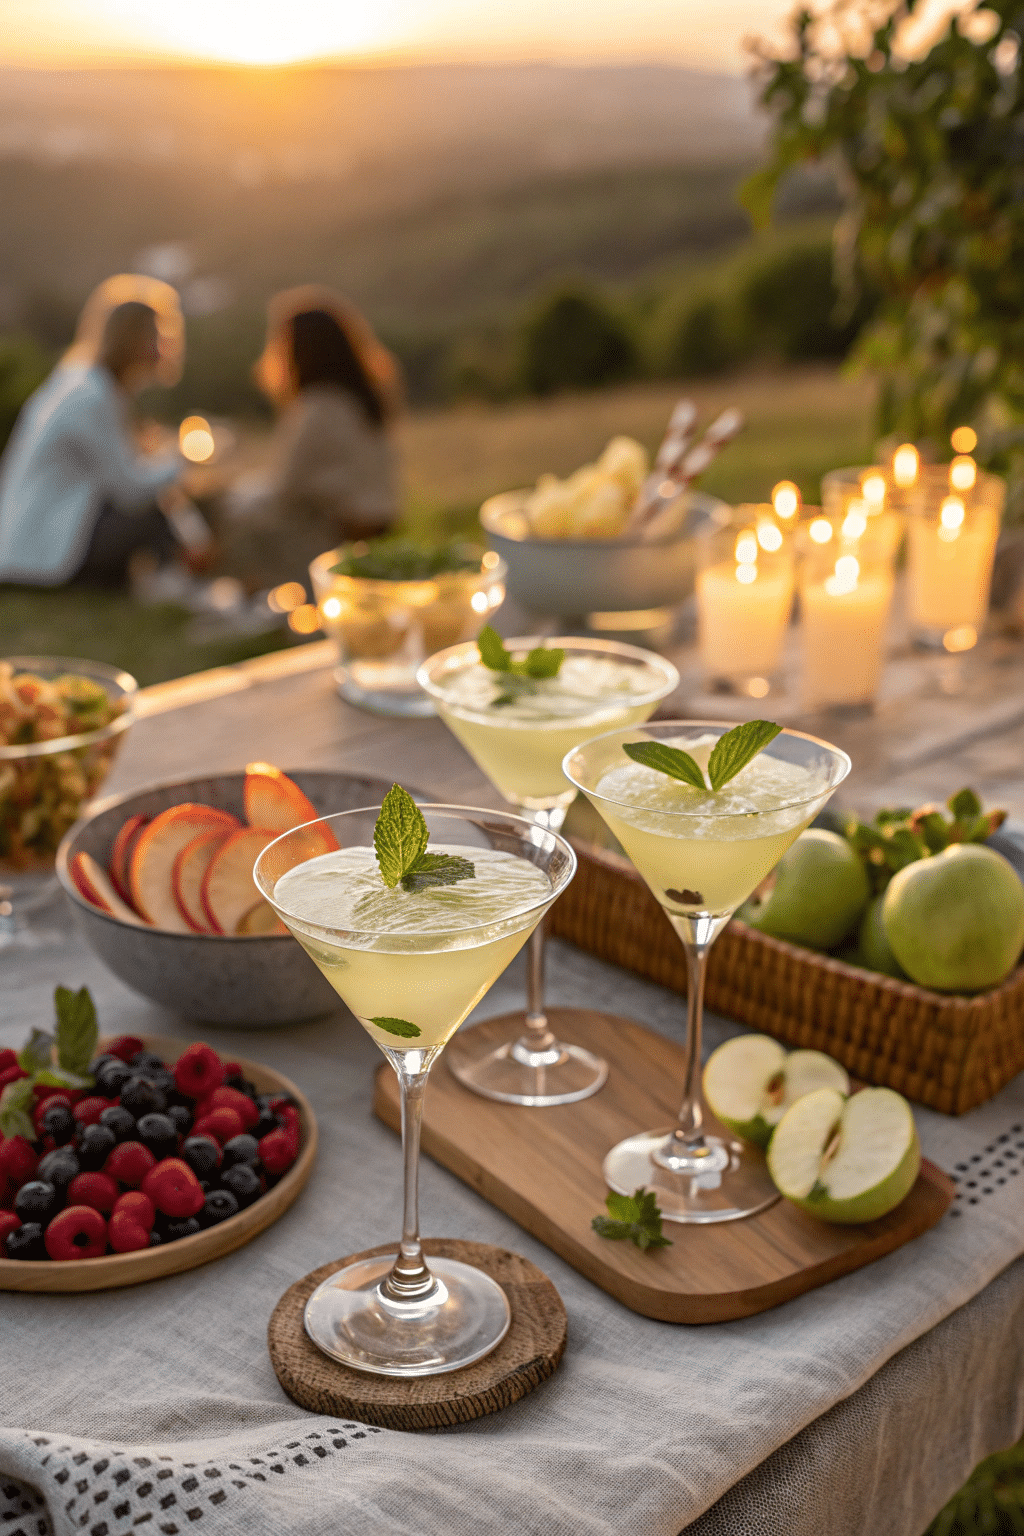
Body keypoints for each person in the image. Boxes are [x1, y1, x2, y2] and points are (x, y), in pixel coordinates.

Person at [0, 275, 192, 587]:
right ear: (131, 338)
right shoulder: (92, 394)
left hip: (32, 540)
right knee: (151, 513)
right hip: (41, 552)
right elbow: (128, 489)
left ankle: (165, 579)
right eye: (157, 334)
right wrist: (181, 460)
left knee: (153, 506)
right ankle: (173, 583)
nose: (165, 345)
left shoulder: (82, 381)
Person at [223, 285, 401, 592]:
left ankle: (261, 593)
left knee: (243, 510)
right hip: (382, 519)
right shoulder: (362, 399)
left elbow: (287, 488)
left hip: (339, 529)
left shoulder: (317, 407)